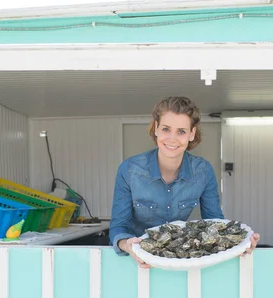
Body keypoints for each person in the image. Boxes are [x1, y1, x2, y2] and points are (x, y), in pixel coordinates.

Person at [109, 96, 260, 268]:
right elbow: (118, 227)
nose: (172, 138)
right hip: (136, 262)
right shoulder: (129, 170)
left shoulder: (203, 172)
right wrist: (127, 245)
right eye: (166, 129)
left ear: (191, 134)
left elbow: (216, 226)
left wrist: (241, 244)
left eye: (181, 131)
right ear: (156, 129)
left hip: (181, 262)